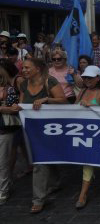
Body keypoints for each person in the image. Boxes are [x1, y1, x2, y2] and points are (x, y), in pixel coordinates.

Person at [19, 58, 67, 213]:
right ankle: (56, 182)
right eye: (23, 68)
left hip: (50, 129)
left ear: (37, 69)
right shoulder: (24, 84)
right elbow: (22, 105)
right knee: (47, 158)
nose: (24, 70)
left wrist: (46, 99)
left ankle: (38, 199)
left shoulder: (50, 81)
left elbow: (63, 101)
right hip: (32, 129)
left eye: (27, 67)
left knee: (40, 161)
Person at [75, 66, 100, 209]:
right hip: (85, 133)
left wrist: (91, 106)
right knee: (88, 162)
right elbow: (73, 108)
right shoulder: (82, 91)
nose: (87, 80)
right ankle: (83, 194)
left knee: (98, 161)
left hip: (99, 133)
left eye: (90, 77)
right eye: (85, 77)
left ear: (98, 78)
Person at [0, 60, 22, 205]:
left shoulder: (10, 89)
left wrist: (3, 108)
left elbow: (14, 108)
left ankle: (3, 191)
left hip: (4, 129)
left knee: (3, 162)